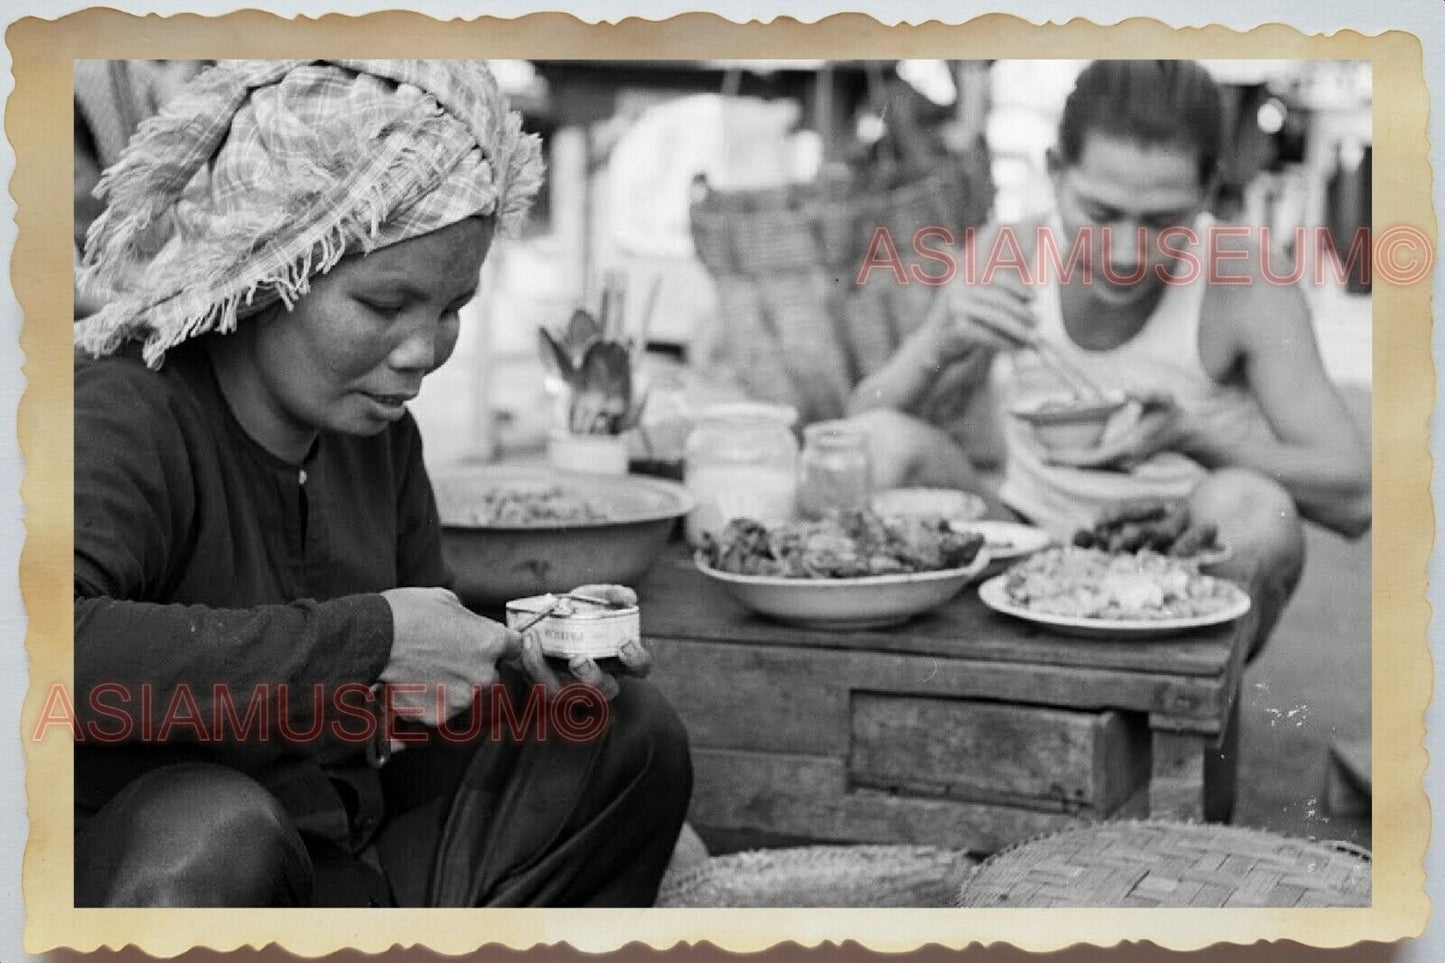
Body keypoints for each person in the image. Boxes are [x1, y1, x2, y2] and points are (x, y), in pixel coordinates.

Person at [72, 60, 691, 908]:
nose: (422, 350)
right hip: (164, 878)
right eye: (382, 304)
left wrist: (516, 663)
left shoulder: (378, 439)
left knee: (619, 732)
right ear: (269, 269)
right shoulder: (127, 415)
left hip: (340, 859)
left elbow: (393, 704)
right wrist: (366, 642)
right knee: (210, 830)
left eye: (450, 307)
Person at [848, 60, 1371, 663]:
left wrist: (1191, 437)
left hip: (1183, 560)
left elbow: (1357, 499)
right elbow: (855, 435)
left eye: (1162, 223)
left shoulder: (1245, 278)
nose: (1126, 252)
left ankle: (1178, 709)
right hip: (1025, 540)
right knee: (882, 447)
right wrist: (938, 340)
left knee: (1257, 510)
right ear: (1054, 172)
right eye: (1099, 214)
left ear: (1207, 192)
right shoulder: (1010, 251)